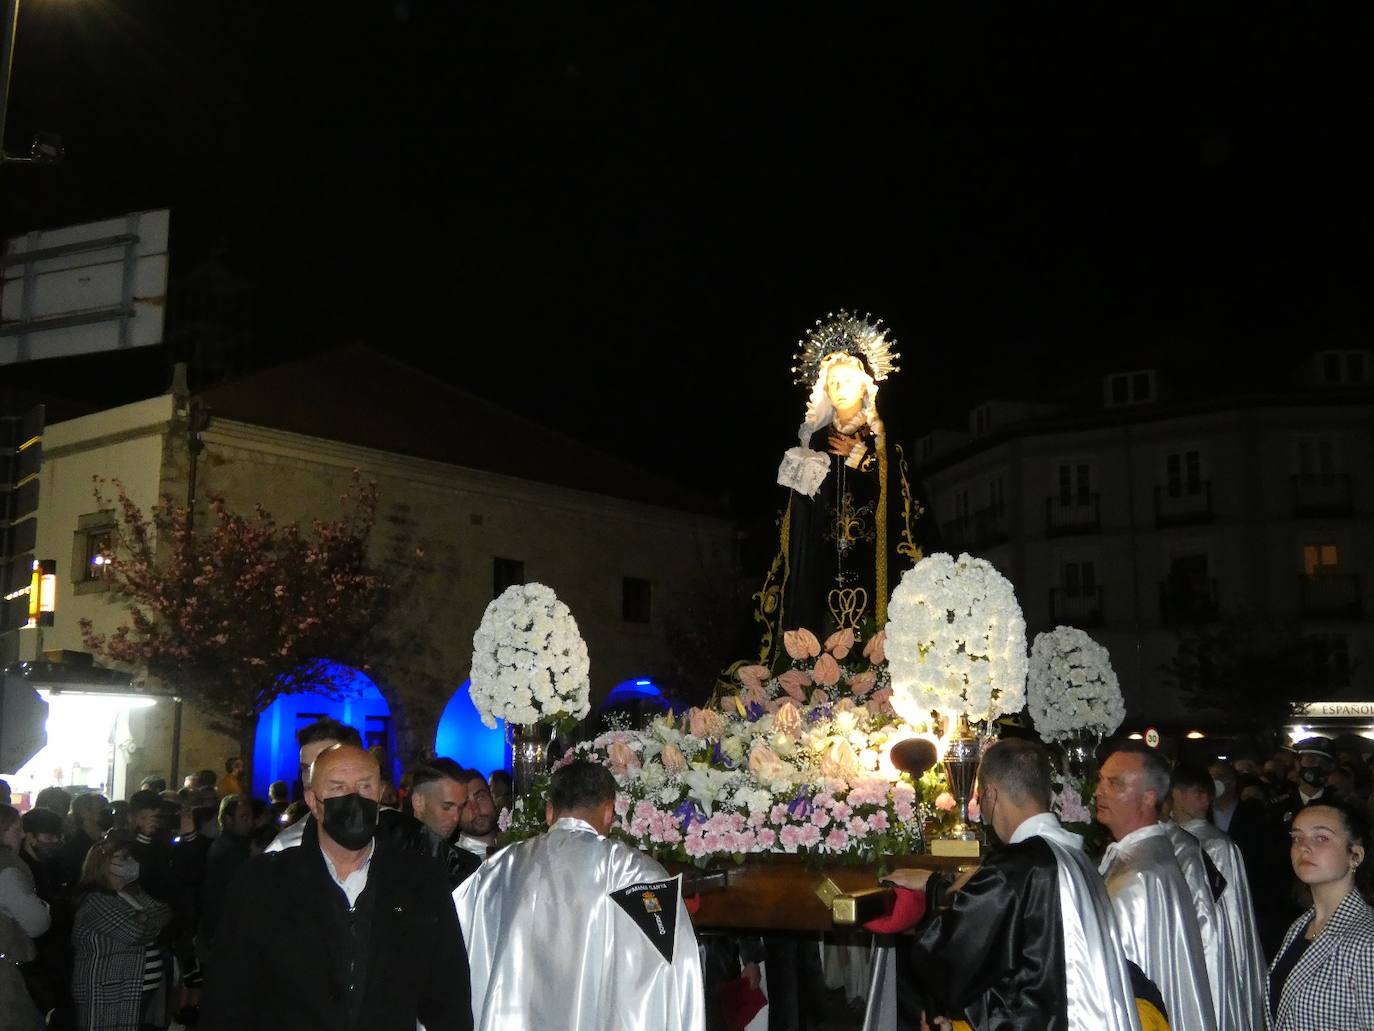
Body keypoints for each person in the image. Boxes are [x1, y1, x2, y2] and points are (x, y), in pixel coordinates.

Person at [200, 744, 471, 1031]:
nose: (354, 799)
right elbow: (227, 998)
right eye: (338, 787)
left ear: (380, 794)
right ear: (313, 801)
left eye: (365, 787)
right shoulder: (263, 883)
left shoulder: (420, 881)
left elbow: (449, 998)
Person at [886, 739, 1140, 1029]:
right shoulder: (1075, 856)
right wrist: (938, 884)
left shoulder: (1017, 868)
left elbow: (948, 959)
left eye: (980, 798)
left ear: (992, 795)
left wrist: (938, 896)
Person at [455, 759, 705, 1031]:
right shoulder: (637, 873)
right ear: (608, 812)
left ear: (550, 812)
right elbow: (676, 964)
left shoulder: (499, 869)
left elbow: (457, 945)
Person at [764, 313, 921, 657]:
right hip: (823, 563)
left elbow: (902, 494)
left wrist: (862, 457)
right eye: (833, 382)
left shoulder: (882, 438)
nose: (839, 388)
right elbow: (796, 518)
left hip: (871, 559)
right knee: (822, 639)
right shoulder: (813, 443)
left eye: (847, 380)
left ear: (865, 385)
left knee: (869, 638)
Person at [1097, 743, 1217, 1031]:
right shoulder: (1144, 855)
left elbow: (1128, 984)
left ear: (1148, 798)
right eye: (1100, 780)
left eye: (1114, 783)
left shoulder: (1140, 875)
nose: (1099, 791)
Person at [1170, 764, 1267, 1031]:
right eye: (1197, 794)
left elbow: (1231, 911)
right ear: (1176, 794)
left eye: (1206, 795)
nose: (1204, 801)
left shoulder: (1216, 844)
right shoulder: (1173, 837)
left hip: (1214, 944)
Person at [1268, 801, 1374, 1029]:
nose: (1303, 847)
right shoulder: (1299, 927)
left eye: (1322, 838)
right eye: (1297, 838)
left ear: (1355, 855)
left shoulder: (1367, 941)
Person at [71, 831, 175, 1031]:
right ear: (103, 863)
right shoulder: (95, 900)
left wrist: (143, 918)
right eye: (123, 858)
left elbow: (165, 913)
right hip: (109, 991)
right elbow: (134, 933)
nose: (131, 862)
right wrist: (148, 921)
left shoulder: (133, 892)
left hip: (136, 989)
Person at [0, 804, 49, 1031]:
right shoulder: (7, 872)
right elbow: (36, 922)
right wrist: (43, 906)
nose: (22, 835)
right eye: (17, 829)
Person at [406, 762, 481, 888]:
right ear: (418, 802)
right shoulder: (386, 857)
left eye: (460, 808)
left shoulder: (466, 865)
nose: (456, 817)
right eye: (447, 807)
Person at [455, 771, 500, 860]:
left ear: (492, 797)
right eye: (465, 804)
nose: (475, 809)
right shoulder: (454, 862)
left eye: (480, 797)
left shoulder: (517, 845)